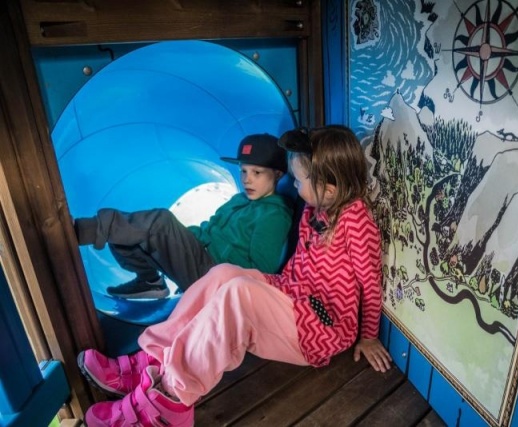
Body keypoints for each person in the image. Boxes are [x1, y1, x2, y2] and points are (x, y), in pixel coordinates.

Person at [76, 125, 392, 426]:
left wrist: (367, 336)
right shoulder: (315, 209)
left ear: (329, 185)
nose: (294, 187)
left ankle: (170, 400)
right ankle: (155, 358)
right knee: (223, 273)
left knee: (239, 291)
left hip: (322, 326)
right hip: (294, 297)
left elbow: (369, 282)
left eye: (299, 181)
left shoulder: (356, 221)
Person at [74, 133, 293, 299]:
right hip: (199, 258)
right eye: (243, 171)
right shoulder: (240, 199)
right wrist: (180, 239)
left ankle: (85, 230)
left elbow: (261, 272)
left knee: (161, 220)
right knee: (133, 233)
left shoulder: (274, 215)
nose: (247, 180)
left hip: (216, 278)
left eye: (257, 173)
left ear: (277, 175)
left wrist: (216, 266)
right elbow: (209, 228)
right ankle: (150, 283)